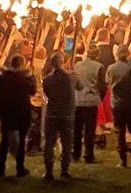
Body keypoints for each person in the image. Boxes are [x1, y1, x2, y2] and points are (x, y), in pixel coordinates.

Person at [0, 54, 36, 179]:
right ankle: (19, 168)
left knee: (4, 141)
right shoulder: (24, 78)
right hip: (21, 112)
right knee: (21, 141)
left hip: (7, 112)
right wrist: (31, 75)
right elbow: (33, 90)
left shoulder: (3, 78)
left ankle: (0, 169)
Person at [106, 43, 131, 168]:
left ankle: (123, 160)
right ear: (128, 53)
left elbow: (108, 82)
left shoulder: (111, 68)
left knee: (120, 132)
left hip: (117, 104)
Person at [42, 51, 78, 179]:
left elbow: (47, 93)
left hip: (52, 113)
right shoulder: (72, 76)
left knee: (49, 143)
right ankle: (64, 170)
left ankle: (49, 171)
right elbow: (79, 86)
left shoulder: (47, 80)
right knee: (67, 142)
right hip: (66, 113)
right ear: (62, 63)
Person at [73, 44, 105, 163]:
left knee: (77, 129)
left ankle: (75, 153)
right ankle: (88, 155)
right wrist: (99, 97)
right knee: (89, 130)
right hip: (91, 101)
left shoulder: (77, 65)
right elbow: (102, 86)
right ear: (97, 54)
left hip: (78, 100)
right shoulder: (99, 67)